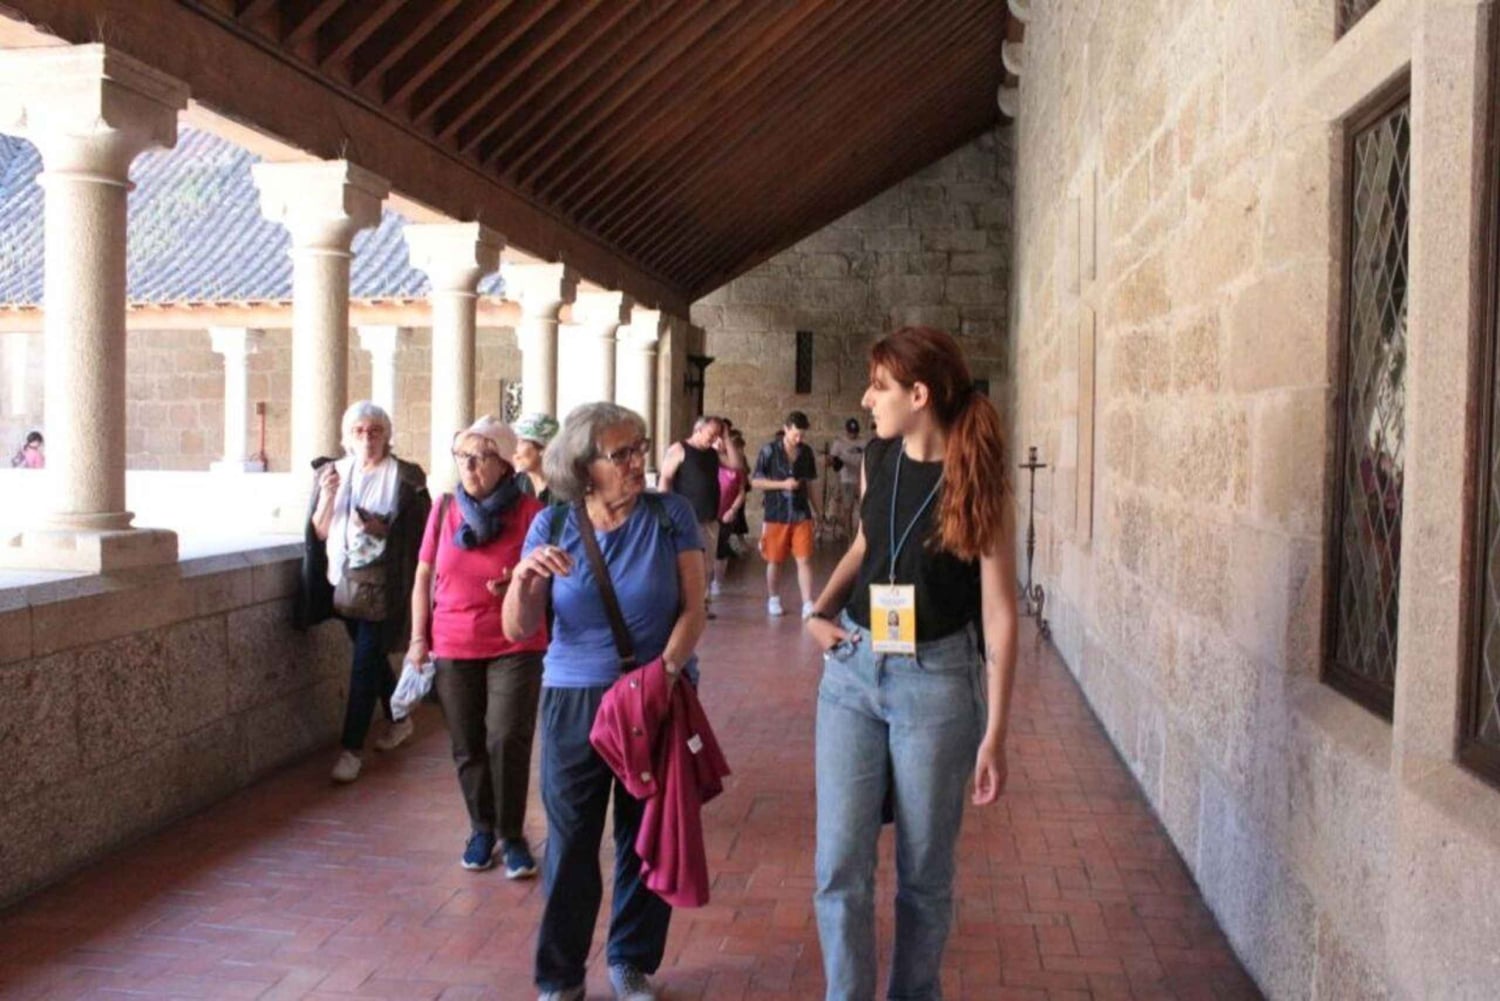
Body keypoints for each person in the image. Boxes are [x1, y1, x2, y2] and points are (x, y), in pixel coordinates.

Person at [803, 326, 1019, 1001]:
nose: (868, 398)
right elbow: (869, 541)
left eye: (880, 386)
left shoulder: (977, 476)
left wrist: (997, 733)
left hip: (937, 683)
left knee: (924, 876)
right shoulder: (879, 457)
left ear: (919, 393)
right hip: (854, 671)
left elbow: (1001, 611)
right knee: (840, 865)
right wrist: (819, 608)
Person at [501, 402, 707, 1001]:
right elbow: (518, 629)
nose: (638, 461)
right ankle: (560, 976)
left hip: (657, 693)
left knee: (646, 833)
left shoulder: (671, 516)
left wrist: (664, 675)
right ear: (584, 466)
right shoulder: (555, 525)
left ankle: (630, 961)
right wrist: (524, 580)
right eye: (622, 454)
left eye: (641, 448)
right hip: (575, 698)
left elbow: (695, 611)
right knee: (569, 841)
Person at [408, 416, 547, 877]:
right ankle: (481, 828)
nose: (469, 465)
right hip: (452, 641)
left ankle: (512, 834)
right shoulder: (444, 509)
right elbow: (424, 574)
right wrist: (417, 640)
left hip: (515, 641)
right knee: (468, 743)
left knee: (506, 736)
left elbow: (550, 571)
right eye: (463, 456)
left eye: (481, 456)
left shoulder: (530, 513)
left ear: (505, 465)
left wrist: (520, 578)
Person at [297, 401, 431, 784]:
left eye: (374, 431)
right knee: (369, 658)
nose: (367, 438)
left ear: (387, 435)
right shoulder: (334, 472)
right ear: (347, 437)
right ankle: (399, 718)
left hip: (383, 583)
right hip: (340, 582)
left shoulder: (404, 477)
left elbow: (421, 534)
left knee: (361, 666)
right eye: (359, 431)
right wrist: (326, 497)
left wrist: (383, 529)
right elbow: (320, 531)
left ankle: (351, 749)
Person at [750, 410, 820, 619]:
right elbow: (755, 481)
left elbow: (811, 484)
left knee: (804, 558)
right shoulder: (769, 451)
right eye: (796, 434)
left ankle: (807, 602)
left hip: (801, 513)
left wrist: (818, 511)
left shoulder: (806, 452)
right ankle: (773, 598)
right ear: (786, 429)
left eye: (802, 435)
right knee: (774, 560)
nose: (799, 439)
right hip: (776, 513)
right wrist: (782, 484)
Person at [657, 415, 723, 608]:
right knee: (687, 562)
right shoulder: (679, 449)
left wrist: (725, 440)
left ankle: (701, 602)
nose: (714, 438)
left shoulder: (712, 453)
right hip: (687, 518)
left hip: (709, 516)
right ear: (698, 430)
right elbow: (665, 479)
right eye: (712, 434)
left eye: (718, 434)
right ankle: (686, 603)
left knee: (707, 564)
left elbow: (736, 466)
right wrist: (664, 511)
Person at [711, 429, 747, 598]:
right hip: (710, 510)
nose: (719, 443)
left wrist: (733, 509)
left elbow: (742, 491)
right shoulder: (709, 461)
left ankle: (717, 582)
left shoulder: (736, 464)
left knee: (721, 546)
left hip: (727, 511)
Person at [828, 418, 866, 539]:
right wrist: (835, 461)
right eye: (851, 432)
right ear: (847, 431)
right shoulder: (839, 443)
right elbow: (831, 460)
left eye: (855, 432)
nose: (853, 434)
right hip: (846, 480)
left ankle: (861, 538)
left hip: (861, 480)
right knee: (847, 509)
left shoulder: (864, 442)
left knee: (864, 510)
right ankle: (850, 539)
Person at [512, 412, 560, 505]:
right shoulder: (517, 484)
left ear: (543, 448)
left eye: (521, 442)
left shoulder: (564, 489)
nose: (515, 450)